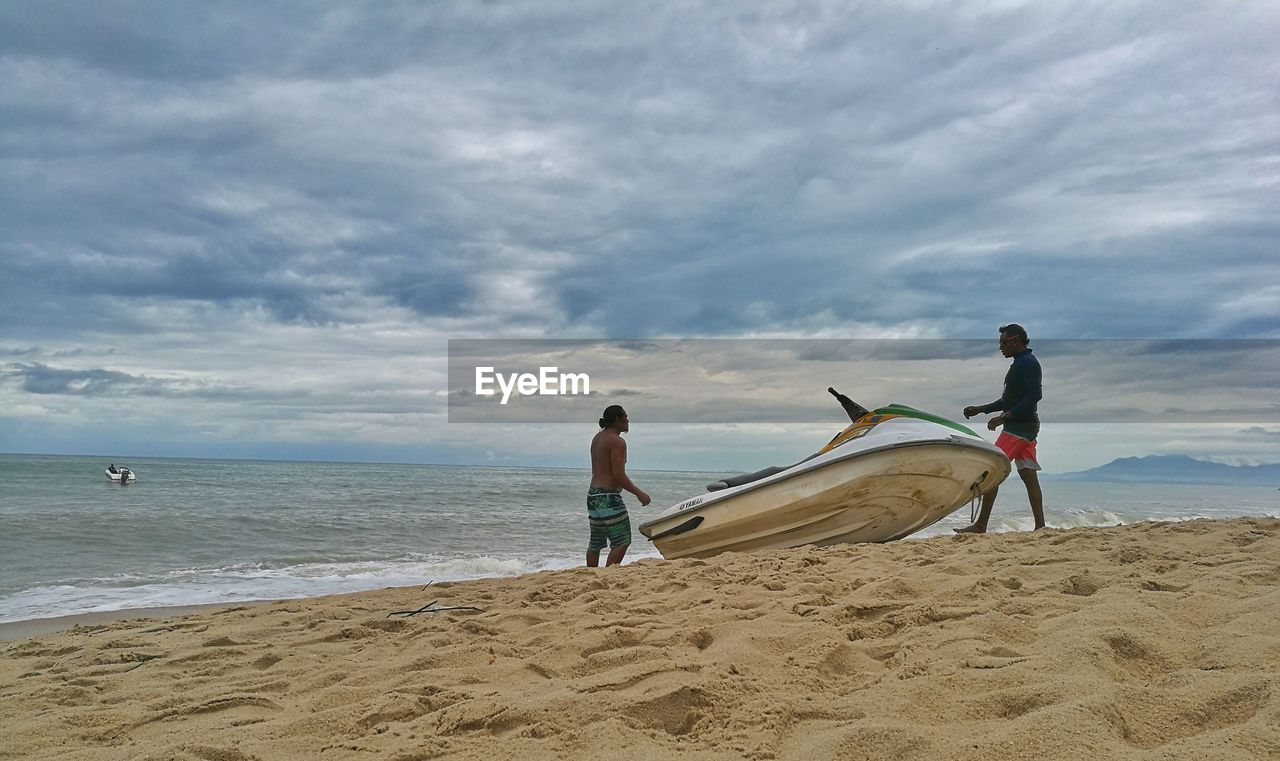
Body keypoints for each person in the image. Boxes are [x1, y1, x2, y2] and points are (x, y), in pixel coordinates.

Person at [955, 323, 1046, 533]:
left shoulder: (1028, 363)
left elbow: (1035, 395)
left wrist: (1005, 417)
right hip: (1026, 427)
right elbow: (1008, 400)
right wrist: (982, 409)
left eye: (1003, 343)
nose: (1001, 348)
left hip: (1019, 428)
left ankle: (981, 525)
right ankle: (1041, 527)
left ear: (1014, 340)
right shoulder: (1019, 363)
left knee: (992, 471)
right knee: (1029, 475)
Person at [586, 405, 651, 566]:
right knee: (622, 540)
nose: (628, 421)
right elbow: (618, 475)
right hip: (608, 497)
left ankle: (590, 575)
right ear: (617, 420)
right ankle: (609, 574)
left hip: (593, 495)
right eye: (625, 417)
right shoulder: (617, 441)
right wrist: (639, 493)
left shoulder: (597, 438)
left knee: (596, 542)